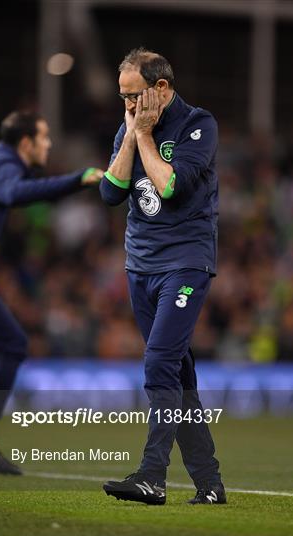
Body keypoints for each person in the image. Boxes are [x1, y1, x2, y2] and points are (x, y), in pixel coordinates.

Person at [100, 48, 226, 505]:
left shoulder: (199, 124)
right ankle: (210, 484)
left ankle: (152, 476)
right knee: (178, 373)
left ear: (162, 89)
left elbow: (171, 187)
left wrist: (147, 137)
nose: (128, 106)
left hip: (185, 263)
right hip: (140, 267)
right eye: (122, 97)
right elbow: (110, 191)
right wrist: (133, 135)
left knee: (157, 365)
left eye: (134, 96)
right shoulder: (129, 125)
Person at [0, 111, 103, 474]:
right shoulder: (3, 165)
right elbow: (13, 194)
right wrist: (80, 179)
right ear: (25, 143)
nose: (48, 144)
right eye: (43, 138)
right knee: (12, 345)